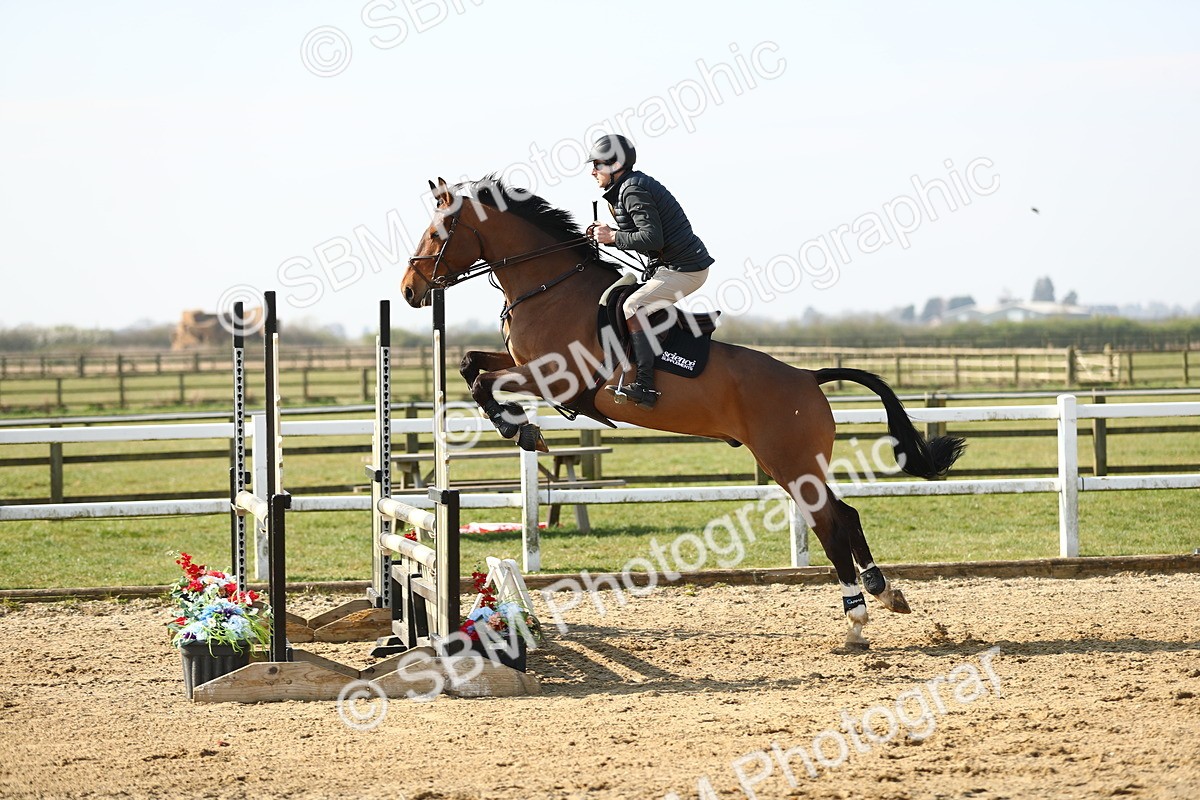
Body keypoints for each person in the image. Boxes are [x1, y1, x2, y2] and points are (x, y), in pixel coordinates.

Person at [586, 134, 714, 409]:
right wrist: (608, 234)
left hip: (686, 270)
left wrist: (613, 236)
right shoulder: (626, 188)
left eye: (597, 164)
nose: (592, 171)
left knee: (633, 306)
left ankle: (645, 385)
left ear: (615, 165)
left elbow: (652, 239)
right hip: (670, 266)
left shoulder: (632, 189)